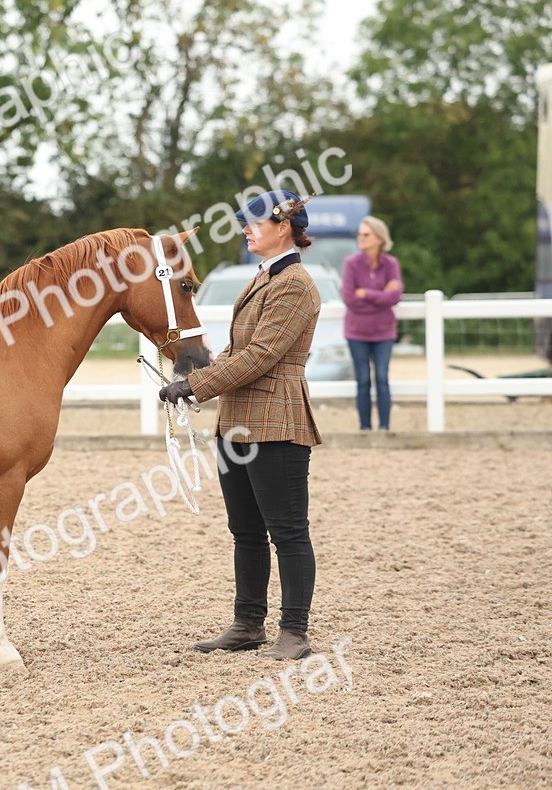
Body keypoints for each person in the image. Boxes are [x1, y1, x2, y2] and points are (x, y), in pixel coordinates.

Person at [159, 189, 322, 661]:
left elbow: (262, 355)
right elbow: (238, 349)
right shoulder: (264, 278)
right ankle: (248, 623)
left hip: (276, 421)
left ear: (284, 227)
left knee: (287, 532)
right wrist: (197, 372)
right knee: (245, 531)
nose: (246, 230)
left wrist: (196, 386)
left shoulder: (295, 284)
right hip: (238, 421)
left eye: (254, 223)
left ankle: (294, 632)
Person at [341, 216, 403, 431]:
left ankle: (384, 427)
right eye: (359, 234)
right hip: (356, 332)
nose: (361, 238)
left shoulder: (391, 264)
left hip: (384, 332)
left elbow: (395, 296)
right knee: (363, 379)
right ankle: (365, 428)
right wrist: (381, 297)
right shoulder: (351, 263)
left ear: (379, 238)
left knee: (382, 378)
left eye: (366, 234)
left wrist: (366, 294)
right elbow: (350, 299)